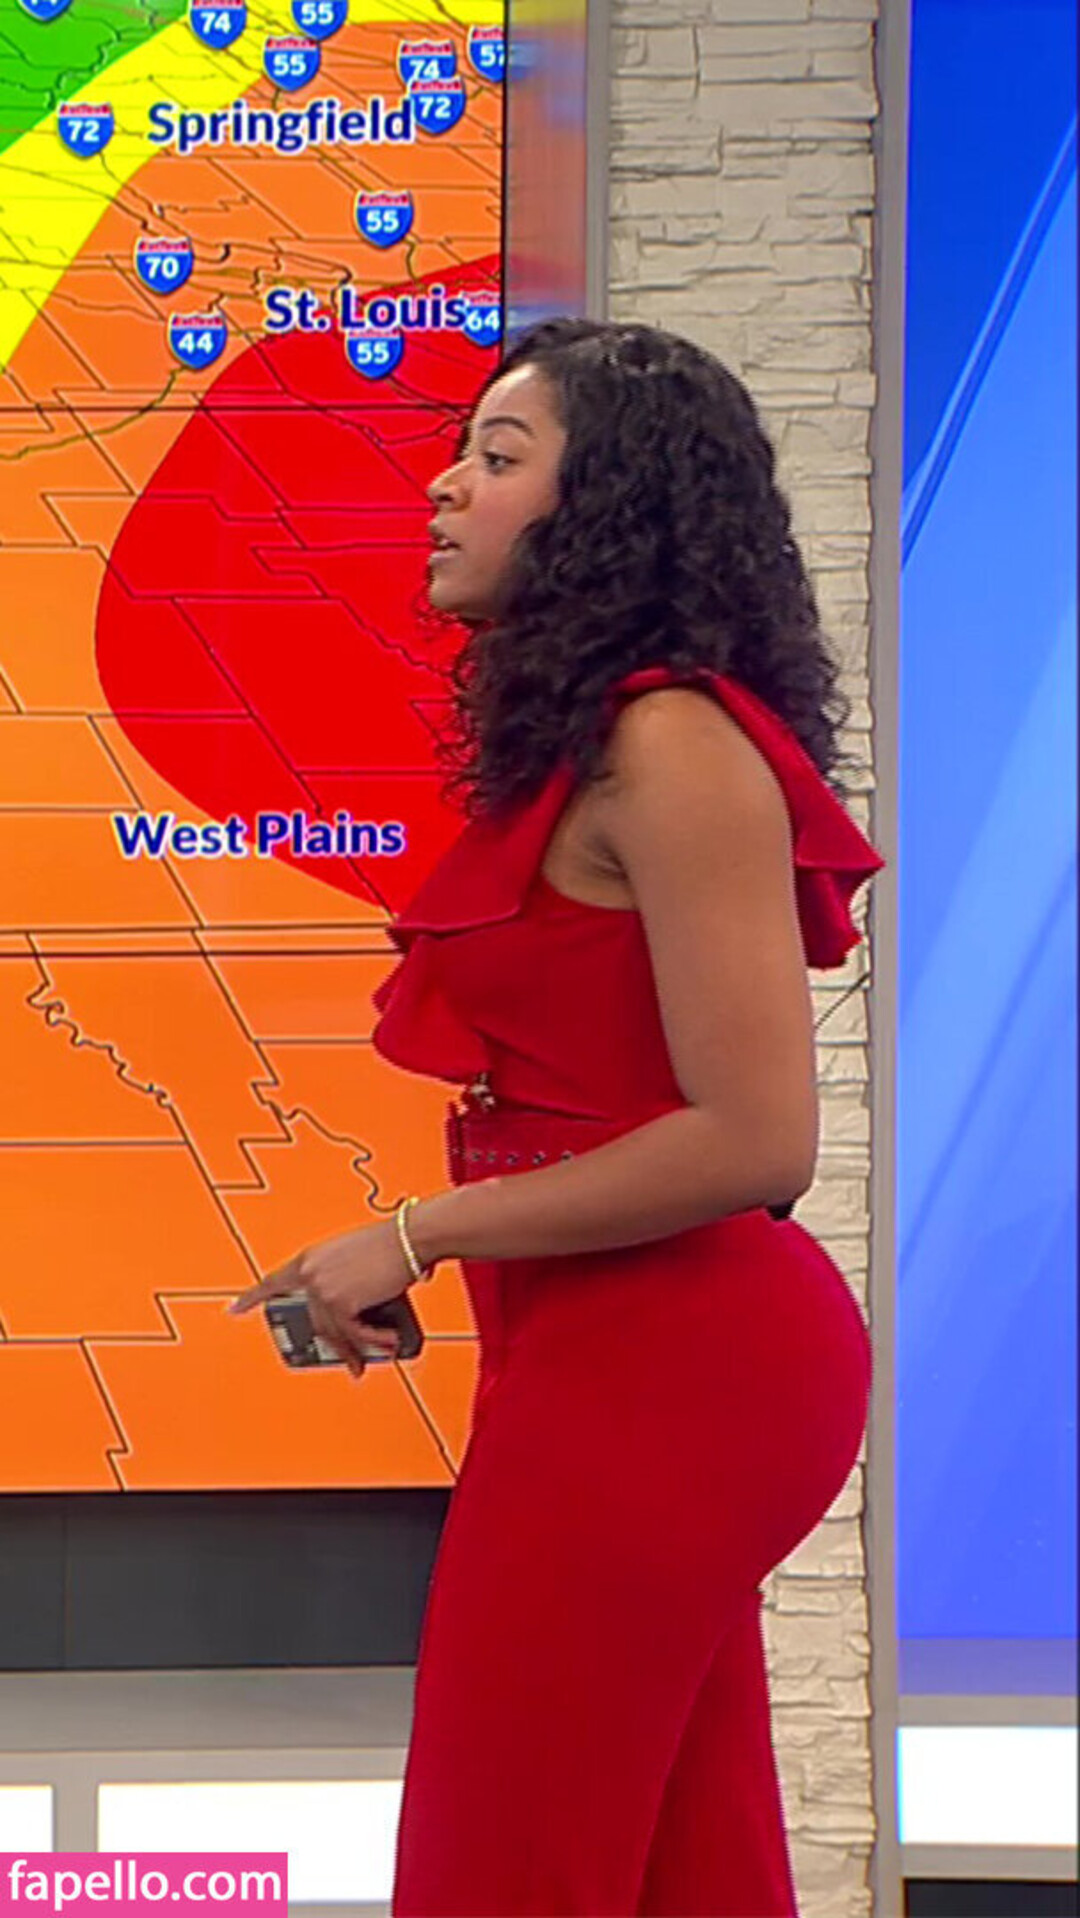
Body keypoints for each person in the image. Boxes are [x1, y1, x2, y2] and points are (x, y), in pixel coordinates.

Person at [232, 318, 885, 1916]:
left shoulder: (674, 745)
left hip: (682, 1367)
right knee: (682, 1871)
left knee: (501, 1867)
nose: (445, 488)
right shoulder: (593, 751)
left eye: (499, 457)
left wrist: (415, 1231)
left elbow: (756, 1137)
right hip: (594, 1349)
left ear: (608, 506)